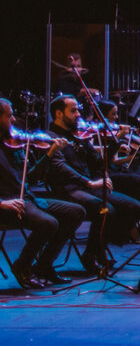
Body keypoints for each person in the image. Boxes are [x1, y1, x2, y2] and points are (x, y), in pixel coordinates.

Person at [45, 95, 140, 272]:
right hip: (68, 189)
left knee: (134, 207)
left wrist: (116, 145)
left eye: (78, 110)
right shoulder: (51, 137)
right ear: (59, 113)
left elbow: (98, 162)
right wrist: (90, 182)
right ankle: (92, 254)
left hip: (89, 187)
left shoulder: (79, 136)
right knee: (106, 210)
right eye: (73, 110)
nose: (78, 114)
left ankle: (100, 247)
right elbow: (61, 168)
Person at [0, 99, 85, 288]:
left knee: (76, 211)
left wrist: (49, 154)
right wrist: (2, 203)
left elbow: (30, 179)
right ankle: (22, 266)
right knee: (48, 223)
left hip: (27, 199)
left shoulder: (13, 144)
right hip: (6, 204)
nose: (14, 119)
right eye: (9, 115)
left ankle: (44, 265)